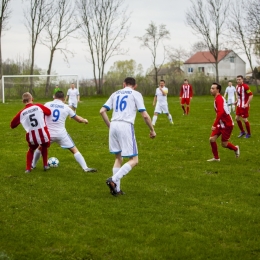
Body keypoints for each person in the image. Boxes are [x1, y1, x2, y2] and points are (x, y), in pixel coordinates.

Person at [100, 77, 156, 196]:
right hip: (125, 125)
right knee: (134, 160)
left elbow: (102, 111)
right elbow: (145, 116)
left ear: (123, 84)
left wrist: (110, 126)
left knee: (118, 158)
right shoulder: (136, 94)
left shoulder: (115, 93)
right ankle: (114, 180)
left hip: (114, 124)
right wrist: (152, 130)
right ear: (135, 86)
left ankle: (117, 190)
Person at [32, 91, 97, 172]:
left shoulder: (47, 104)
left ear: (54, 96)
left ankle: (32, 165)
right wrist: (85, 120)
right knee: (74, 150)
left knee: (40, 148)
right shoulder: (66, 107)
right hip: (61, 134)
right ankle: (85, 168)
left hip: (48, 133)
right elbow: (78, 120)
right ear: (63, 99)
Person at [10, 92, 51, 173]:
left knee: (31, 149)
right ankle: (45, 165)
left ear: (23, 101)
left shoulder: (22, 113)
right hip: (43, 133)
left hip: (32, 135)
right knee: (44, 146)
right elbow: (49, 112)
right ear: (32, 99)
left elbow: (12, 125)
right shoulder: (38, 106)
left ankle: (28, 168)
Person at [207, 83, 240, 162]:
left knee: (224, 144)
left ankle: (236, 148)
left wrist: (214, 125)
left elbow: (221, 112)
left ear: (217, 90)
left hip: (227, 124)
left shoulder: (219, 99)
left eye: (213, 88)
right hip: (220, 124)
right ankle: (216, 158)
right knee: (212, 139)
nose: (211, 90)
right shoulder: (218, 98)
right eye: (211, 88)